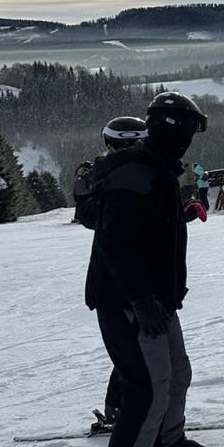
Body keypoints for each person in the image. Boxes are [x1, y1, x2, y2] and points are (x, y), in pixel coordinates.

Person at [85, 90, 224, 447]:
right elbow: (115, 242)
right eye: (188, 130)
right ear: (174, 129)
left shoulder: (158, 168)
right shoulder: (136, 171)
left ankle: (168, 443)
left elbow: (144, 227)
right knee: (146, 388)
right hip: (131, 301)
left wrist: (176, 216)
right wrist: (141, 299)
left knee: (177, 373)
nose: (189, 140)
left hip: (156, 298)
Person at [75, 115, 147, 429]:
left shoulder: (115, 175)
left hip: (131, 282)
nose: (129, 150)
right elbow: (95, 219)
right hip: (117, 286)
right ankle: (120, 411)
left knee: (135, 353)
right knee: (132, 357)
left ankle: (121, 408)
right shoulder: (104, 177)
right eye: (123, 144)